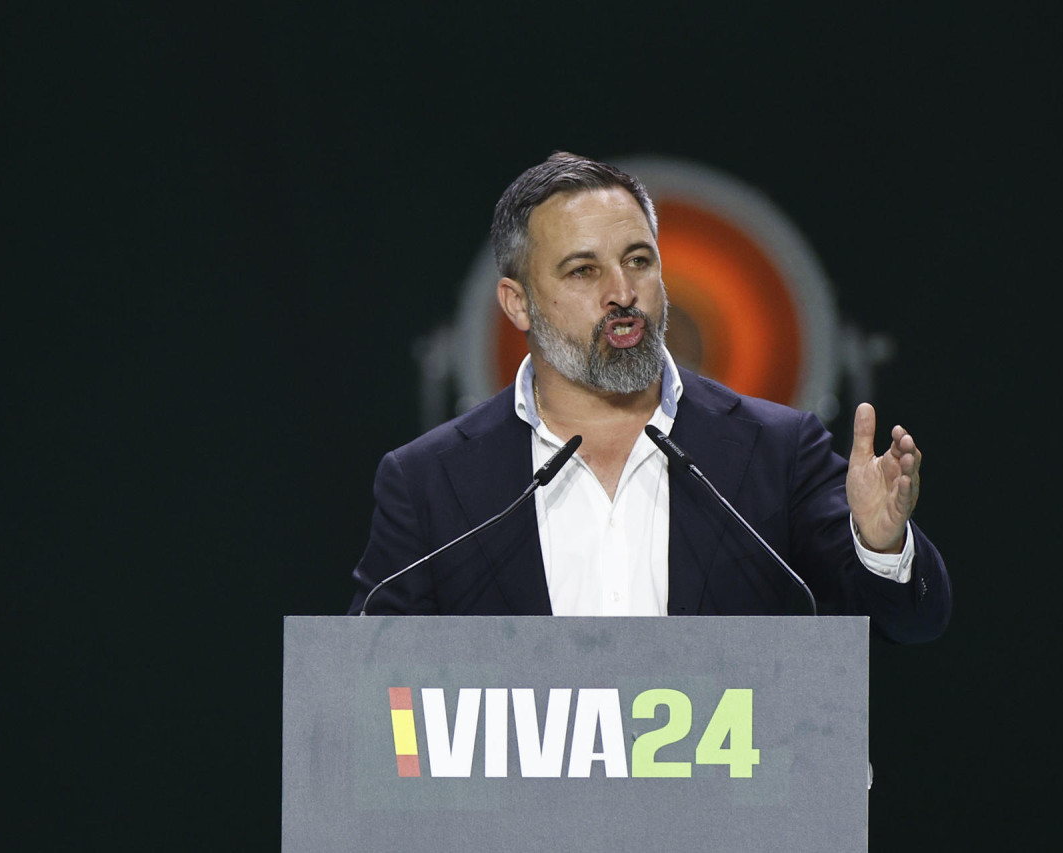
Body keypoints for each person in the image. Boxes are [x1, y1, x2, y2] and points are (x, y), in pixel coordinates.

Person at [348, 152, 950, 643]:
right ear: (517, 302)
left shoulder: (776, 450)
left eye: (638, 260)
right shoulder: (429, 481)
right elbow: (368, 686)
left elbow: (912, 622)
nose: (622, 292)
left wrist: (880, 544)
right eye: (582, 271)